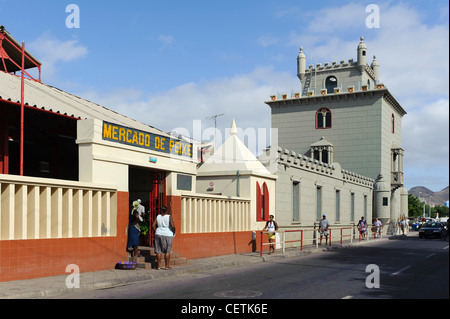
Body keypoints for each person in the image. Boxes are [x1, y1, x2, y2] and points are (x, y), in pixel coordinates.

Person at [152, 206, 175, 270]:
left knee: (158, 251)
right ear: (166, 211)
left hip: (158, 234)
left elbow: (153, 225)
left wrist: (156, 230)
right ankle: (166, 266)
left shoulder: (158, 216)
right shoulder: (169, 217)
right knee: (167, 251)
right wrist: (174, 231)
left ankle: (158, 266)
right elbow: (172, 226)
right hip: (167, 234)